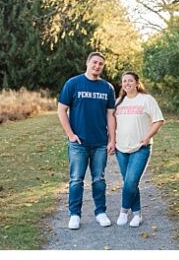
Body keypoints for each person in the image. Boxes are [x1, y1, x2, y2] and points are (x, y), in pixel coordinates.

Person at [58, 51, 117, 229]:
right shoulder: (73, 83)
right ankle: (75, 215)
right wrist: (71, 135)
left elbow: (111, 115)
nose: (97, 66)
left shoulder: (107, 88)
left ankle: (100, 212)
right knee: (76, 179)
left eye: (101, 64)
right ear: (88, 63)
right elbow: (61, 110)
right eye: (95, 62)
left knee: (99, 179)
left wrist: (112, 139)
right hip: (79, 143)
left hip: (99, 142)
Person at [113, 71, 164, 228]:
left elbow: (158, 120)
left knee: (130, 181)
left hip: (140, 147)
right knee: (130, 182)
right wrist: (111, 141)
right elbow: (112, 123)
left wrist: (147, 137)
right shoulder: (118, 102)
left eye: (130, 80)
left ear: (137, 83)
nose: (127, 83)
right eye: (124, 81)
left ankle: (123, 211)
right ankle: (137, 215)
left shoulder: (146, 100)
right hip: (121, 148)